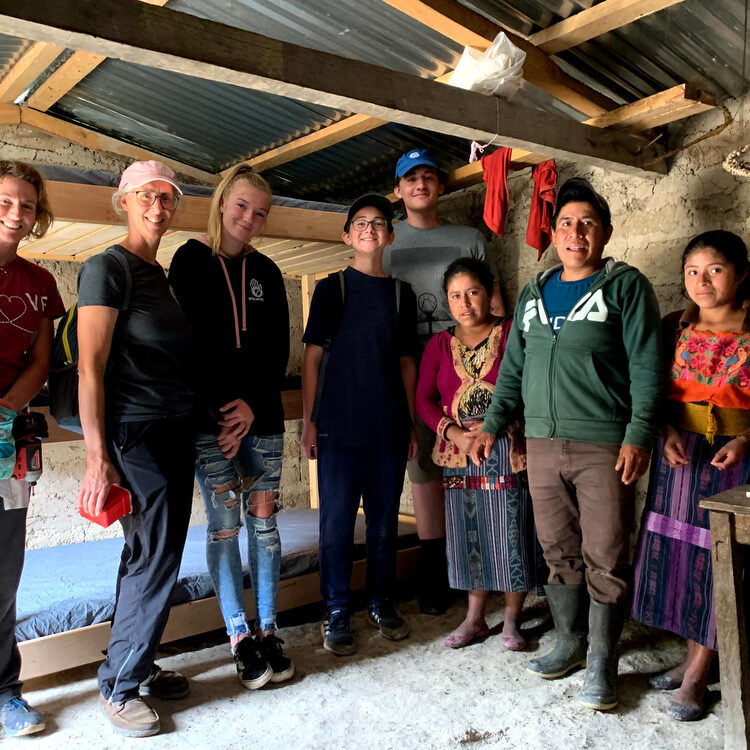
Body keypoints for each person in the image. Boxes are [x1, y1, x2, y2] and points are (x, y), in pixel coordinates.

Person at [469, 177, 662, 711]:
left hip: (604, 443)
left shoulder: (626, 286)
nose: (576, 233)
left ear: (606, 232)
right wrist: (492, 425)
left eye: (588, 223)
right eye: (566, 224)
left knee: (606, 551)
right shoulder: (534, 293)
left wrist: (638, 434)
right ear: (553, 233)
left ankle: (601, 661)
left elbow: (647, 365)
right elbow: (512, 370)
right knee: (557, 548)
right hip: (542, 444)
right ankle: (570, 642)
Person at [77, 161, 195, 738]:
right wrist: (97, 457)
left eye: (167, 198)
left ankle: (136, 663)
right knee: (157, 555)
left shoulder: (161, 275)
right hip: (136, 433)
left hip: (174, 430)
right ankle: (119, 686)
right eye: (147, 195)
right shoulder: (108, 268)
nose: (158, 207)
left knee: (147, 551)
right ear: (123, 200)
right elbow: (90, 367)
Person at [168, 165, 293, 690]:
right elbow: (183, 348)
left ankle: (269, 631)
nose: (249, 218)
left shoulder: (267, 271)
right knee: (224, 527)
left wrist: (251, 407)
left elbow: (277, 351)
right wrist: (223, 412)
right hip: (212, 424)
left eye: (260, 212)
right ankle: (239, 636)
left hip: (263, 419)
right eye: (242, 206)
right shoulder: (188, 260)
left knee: (265, 524)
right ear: (221, 203)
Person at [631, 230, 750, 721]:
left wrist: (746, 439)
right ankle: (690, 656)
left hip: (735, 460)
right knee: (680, 556)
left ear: (741, 274)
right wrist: (662, 431)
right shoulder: (672, 327)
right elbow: (649, 390)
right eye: (693, 271)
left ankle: (700, 673)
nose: (702, 281)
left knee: (720, 559)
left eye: (715, 270)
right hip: (679, 455)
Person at [301, 193, 418, 655]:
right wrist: (310, 422)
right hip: (338, 427)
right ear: (347, 236)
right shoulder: (332, 289)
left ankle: (381, 601)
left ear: (390, 236)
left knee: (384, 523)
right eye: (361, 222)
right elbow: (312, 359)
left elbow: (407, 364)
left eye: (379, 222)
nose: (370, 228)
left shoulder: (401, 294)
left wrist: (411, 424)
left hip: (388, 427)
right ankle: (336, 609)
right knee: (336, 523)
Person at [384, 147, 495, 616]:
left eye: (428, 176)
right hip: (413, 368)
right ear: (398, 190)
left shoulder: (469, 238)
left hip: (471, 369)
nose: (420, 184)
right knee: (425, 471)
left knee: (481, 469)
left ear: (441, 185)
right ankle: (436, 575)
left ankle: (484, 570)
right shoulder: (386, 243)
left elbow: (493, 300)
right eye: (411, 178)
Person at [416, 258, 543, 650]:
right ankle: (474, 618)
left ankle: (512, 618)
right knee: (468, 533)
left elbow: (529, 385)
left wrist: (494, 426)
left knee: (511, 531)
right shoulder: (439, 345)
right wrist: (455, 433)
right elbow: (423, 399)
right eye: (455, 295)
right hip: (459, 452)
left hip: (507, 446)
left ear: (489, 294)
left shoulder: (512, 334)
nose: (465, 303)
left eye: (472, 292)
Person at [0, 161, 64, 737]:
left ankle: (4, 691)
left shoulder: (40, 283)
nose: (16, 214)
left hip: (7, 435)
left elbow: (42, 363)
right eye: (5, 202)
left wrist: (3, 413)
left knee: (3, 572)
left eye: (26, 204)